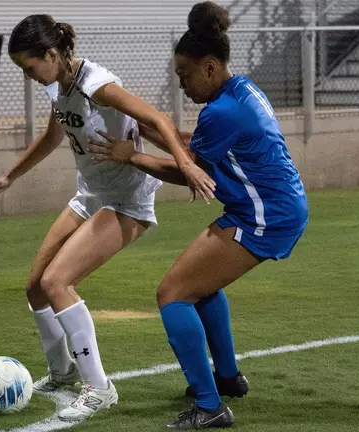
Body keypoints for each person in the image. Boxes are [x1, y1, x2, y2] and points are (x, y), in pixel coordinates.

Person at [0, 14, 216, 422]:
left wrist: (187, 165)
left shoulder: (97, 85)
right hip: (90, 195)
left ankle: (99, 388)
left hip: (126, 201)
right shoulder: (59, 87)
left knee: (57, 282)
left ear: (51, 55)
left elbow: (157, 120)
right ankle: (63, 371)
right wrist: (9, 176)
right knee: (36, 287)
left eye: (29, 67)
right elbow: (52, 137)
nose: (28, 76)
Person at [88, 2, 309, 428]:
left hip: (264, 215)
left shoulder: (222, 111)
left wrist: (131, 156)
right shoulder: (241, 91)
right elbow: (194, 144)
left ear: (209, 67)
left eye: (184, 74)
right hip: (271, 207)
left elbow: (188, 170)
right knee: (200, 286)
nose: (181, 84)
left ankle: (210, 407)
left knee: (172, 294)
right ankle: (227, 378)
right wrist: (149, 128)